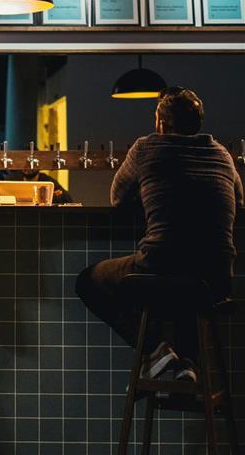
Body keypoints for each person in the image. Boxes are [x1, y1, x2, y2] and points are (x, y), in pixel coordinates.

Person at [75, 87, 243, 383]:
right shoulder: (222, 155)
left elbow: (118, 197)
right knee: (188, 284)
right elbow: (239, 201)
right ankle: (187, 364)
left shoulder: (146, 147)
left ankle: (156, 353)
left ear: (160, 123)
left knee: (88, 281)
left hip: (161, 268)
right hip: (217, 280)